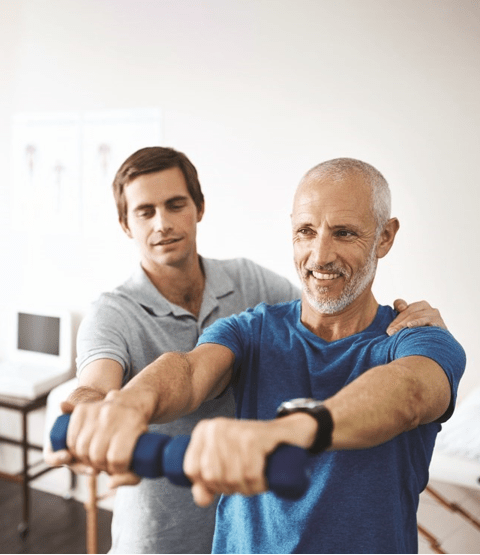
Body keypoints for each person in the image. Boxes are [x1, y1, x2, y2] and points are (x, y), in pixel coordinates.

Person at [48, 152, 452, 555]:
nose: (321, 254)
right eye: (306, 231)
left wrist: (288, 432)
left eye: (344, 232)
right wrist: (129, 404)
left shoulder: (418, 338)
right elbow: (188, 370)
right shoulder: (250, 326)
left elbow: (410, 391)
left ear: (384, 236)